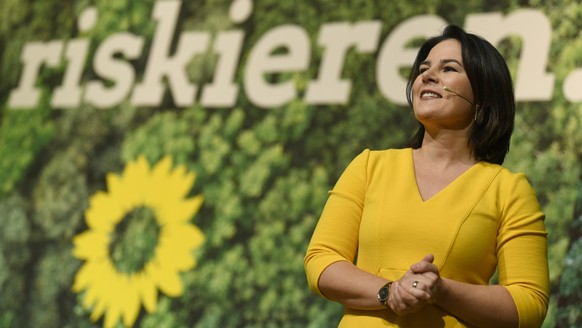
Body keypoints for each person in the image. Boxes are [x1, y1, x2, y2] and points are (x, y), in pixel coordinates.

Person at [304, 24, 549, 328]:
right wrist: (389, 292)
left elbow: (529, 303)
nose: (427, 76)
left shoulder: (508, 190)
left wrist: (442, 291)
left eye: (448, 68)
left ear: (483, 98)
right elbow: (321, 260)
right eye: (423, 69)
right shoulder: (369, 166)